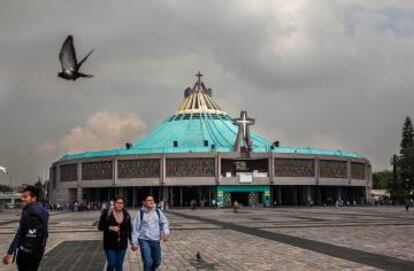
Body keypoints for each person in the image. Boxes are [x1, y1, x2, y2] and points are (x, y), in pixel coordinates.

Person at [2, 186, 49, 271]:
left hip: (27, 253)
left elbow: (21, 233)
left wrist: (10, 252)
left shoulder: (30, 211)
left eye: (25, 197)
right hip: (38, 252)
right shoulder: (43, 210)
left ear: (34, 198)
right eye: (22, 196)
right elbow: (45, 233)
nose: (22, 199)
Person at [131, 195, 170, 271]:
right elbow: (136, 228)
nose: (151, 202)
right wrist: (134, 243)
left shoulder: (158, 211)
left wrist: (166, 232)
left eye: (152, 200)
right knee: (148, 262)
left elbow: (164, 222)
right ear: (144, 202)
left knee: (157, 261)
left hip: (156, 240)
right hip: (144, 240)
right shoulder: (140, 213)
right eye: (149, 200)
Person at [98, 196, 132, 271]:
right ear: (114, 203)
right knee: (111, 264)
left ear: (123, 204)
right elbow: (100, 226)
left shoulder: (126, 215)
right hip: (109, 244)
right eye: (118, 202)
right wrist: (110, 227)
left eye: (121, 203)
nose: (119, 204)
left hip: (122, 244)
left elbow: (129, 229)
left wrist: (133, 242)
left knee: (119, 266)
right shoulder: (107, 213)